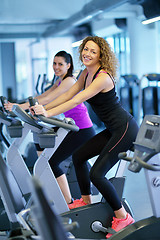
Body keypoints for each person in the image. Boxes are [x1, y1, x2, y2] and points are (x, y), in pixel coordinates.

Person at [31, 37, 139, 238]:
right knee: (79, 157)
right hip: (111, 128)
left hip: (124, 128)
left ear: (101, 56)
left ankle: (123, 217)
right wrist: (45, 109)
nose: (87, 54)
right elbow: (68, 94)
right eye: (86, 49)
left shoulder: (103, 77)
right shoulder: (84, 73)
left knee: (96, 174)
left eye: (93, 52)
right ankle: (86, 200)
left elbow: (76, 100)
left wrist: (47, 113)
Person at [4, 50, 95, 205]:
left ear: (68, 65)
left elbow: (47, 99)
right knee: (40, 141)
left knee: (51, 162)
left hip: (81, 130)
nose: (56, 67)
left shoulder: (69, 81)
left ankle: (68, 202)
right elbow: (41, 96)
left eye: (60, 64)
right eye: (54, 63)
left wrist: (19, 106)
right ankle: (49, 184)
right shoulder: (59, 80)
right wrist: (20, 106)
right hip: (70, 127)